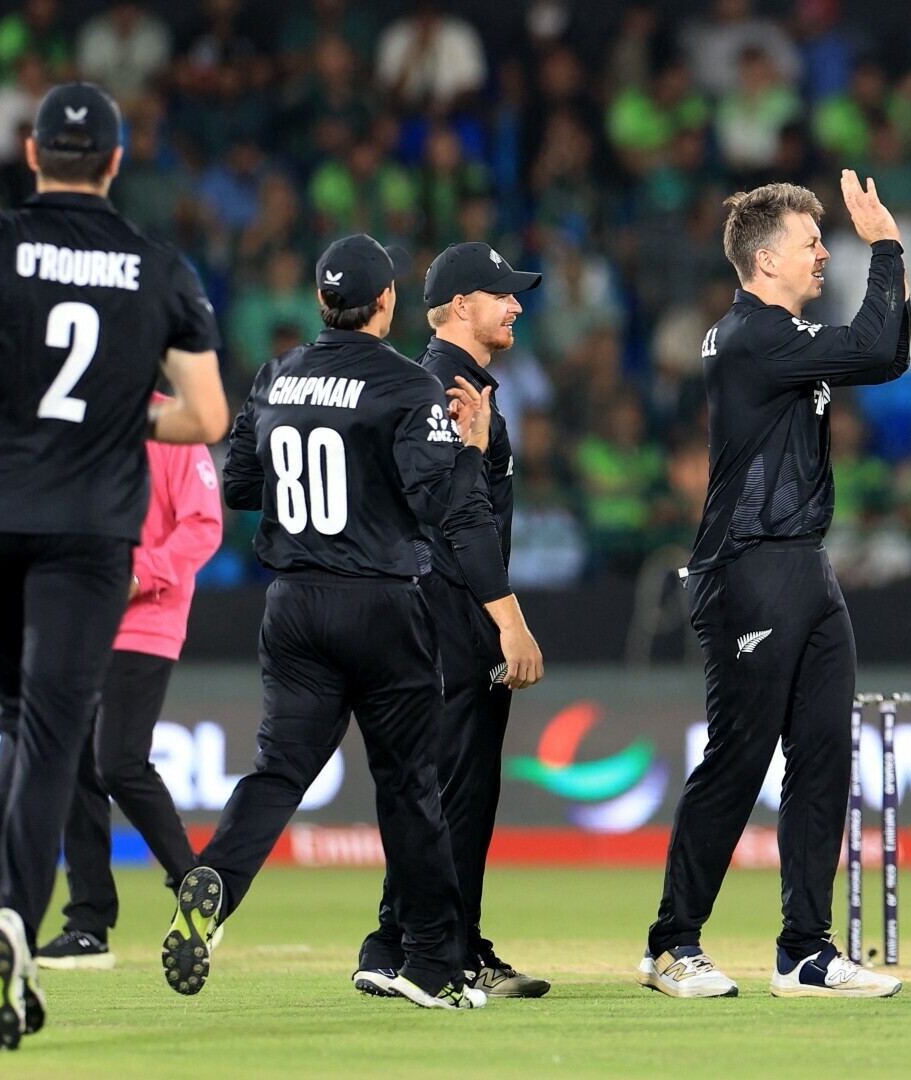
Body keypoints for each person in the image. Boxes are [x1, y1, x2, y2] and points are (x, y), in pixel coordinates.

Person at [0, 82, 227, 1051]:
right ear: (117, 163)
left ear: (31, 154)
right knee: (52, 730)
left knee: (16, 713)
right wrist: (125, 421)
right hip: (89, 524)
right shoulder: (157, 264)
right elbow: (205, 417)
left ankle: (6, 899)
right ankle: (13, 916)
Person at [164, 233, 495, 1011]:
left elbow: (242, 481)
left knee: (278, 772)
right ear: (385, 303)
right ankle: (432, 965)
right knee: (410, 785)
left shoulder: (276, 374)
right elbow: (439, 505)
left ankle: (216, 877)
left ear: (322, 302)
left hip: (294, 604)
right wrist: (471, 449)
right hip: (383, 603)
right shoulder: (410, 386)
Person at [640, 171, 910, 1001]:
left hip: (804, 564)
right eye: (811, 242)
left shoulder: (780, 331)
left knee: (823, 757)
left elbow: (888, 355)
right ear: (764, 260)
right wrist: (888, 248)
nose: (825, 252)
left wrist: (883, 260)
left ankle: (806, 951)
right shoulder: (753, 334)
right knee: (738, 758)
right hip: (748, 566)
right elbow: (874, 347)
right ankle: (670, 945)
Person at [351, 241, 550, 1000]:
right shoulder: (440, 387)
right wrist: (508, 620)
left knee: (438, 787)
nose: (516, 305)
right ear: (461, 304)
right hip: (448, 611)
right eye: (502, 294)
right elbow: (458, 520)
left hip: (436, 608)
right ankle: (442, 947)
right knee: (456, 794)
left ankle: (402, 940)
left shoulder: (450, 383)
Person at [34, 393, 224, 970]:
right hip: (82, 616)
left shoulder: (176, 426)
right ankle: (88, 925)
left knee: (117, 760)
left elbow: (203, 526)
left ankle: (194, 887)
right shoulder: (79, 419)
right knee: (73, 761)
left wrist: (140, 575)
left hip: (147, 617)